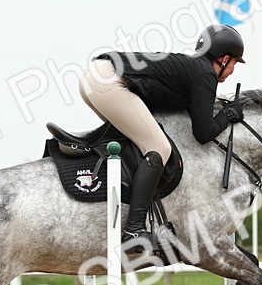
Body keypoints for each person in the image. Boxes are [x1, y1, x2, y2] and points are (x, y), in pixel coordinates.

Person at [79, 24, 246, 254]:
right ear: (225, 59)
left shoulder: (193, 68)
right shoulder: (206, 73)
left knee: (137, 142)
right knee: (158, 147)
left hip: (94, 77)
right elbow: (204, 133)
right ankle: (134, 230)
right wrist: (228, 114)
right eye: (235, 63)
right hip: (108, 81)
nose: (233, 70)